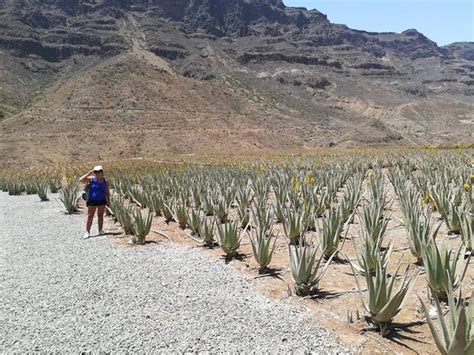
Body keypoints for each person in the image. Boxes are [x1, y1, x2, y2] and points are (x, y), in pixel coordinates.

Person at [79, 165, 110, 239]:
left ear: (102, 172)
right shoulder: (92, 179)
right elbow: (81, 180)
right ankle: (87, 231)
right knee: (90, 216)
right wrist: (89, 173)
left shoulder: (105, 181)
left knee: (100, 215)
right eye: (95, 172)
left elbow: (107, 191)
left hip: (102, 200)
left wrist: (108, 201)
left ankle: (100, 230)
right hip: (92, 200)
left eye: (99, 171)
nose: (97, 173)